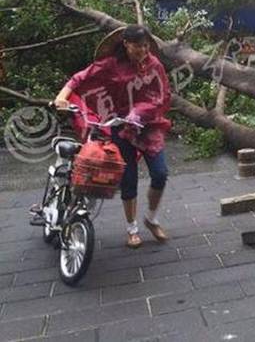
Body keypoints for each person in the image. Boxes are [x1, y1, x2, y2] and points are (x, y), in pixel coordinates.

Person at [54, 25, 172, 249]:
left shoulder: (154, 64)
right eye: (138, 46)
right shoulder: (111, 65)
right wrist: (62, 96)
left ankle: (152, 219)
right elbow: (80, 78)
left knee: (160, 173)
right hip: (122, 127)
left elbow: (163, 94)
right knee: (128, 179)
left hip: (149, 125)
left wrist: (141, 112)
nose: (143, 50)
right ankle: (132, 229)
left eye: (146, 45)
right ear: (126, 44)